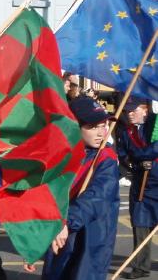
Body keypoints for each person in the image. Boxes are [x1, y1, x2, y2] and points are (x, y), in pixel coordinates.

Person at [34, 97, 120, 280]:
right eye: (92, 127)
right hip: (61, 231)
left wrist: (68, 222)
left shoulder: (106, 158)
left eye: (103, 125)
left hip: (91, 237)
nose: (101, 133)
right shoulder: (63, 154)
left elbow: (97, 197)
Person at [116, 97, 158, 279]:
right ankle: (141, 267)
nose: (130, 114)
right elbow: (123, 154)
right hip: (142, 186)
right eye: (127, 110)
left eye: (134, 110)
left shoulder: (155, 125)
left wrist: (144, 157)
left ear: (145, 110)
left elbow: (153, 149)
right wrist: (134, 166)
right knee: (140, 225)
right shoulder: (126, 130)